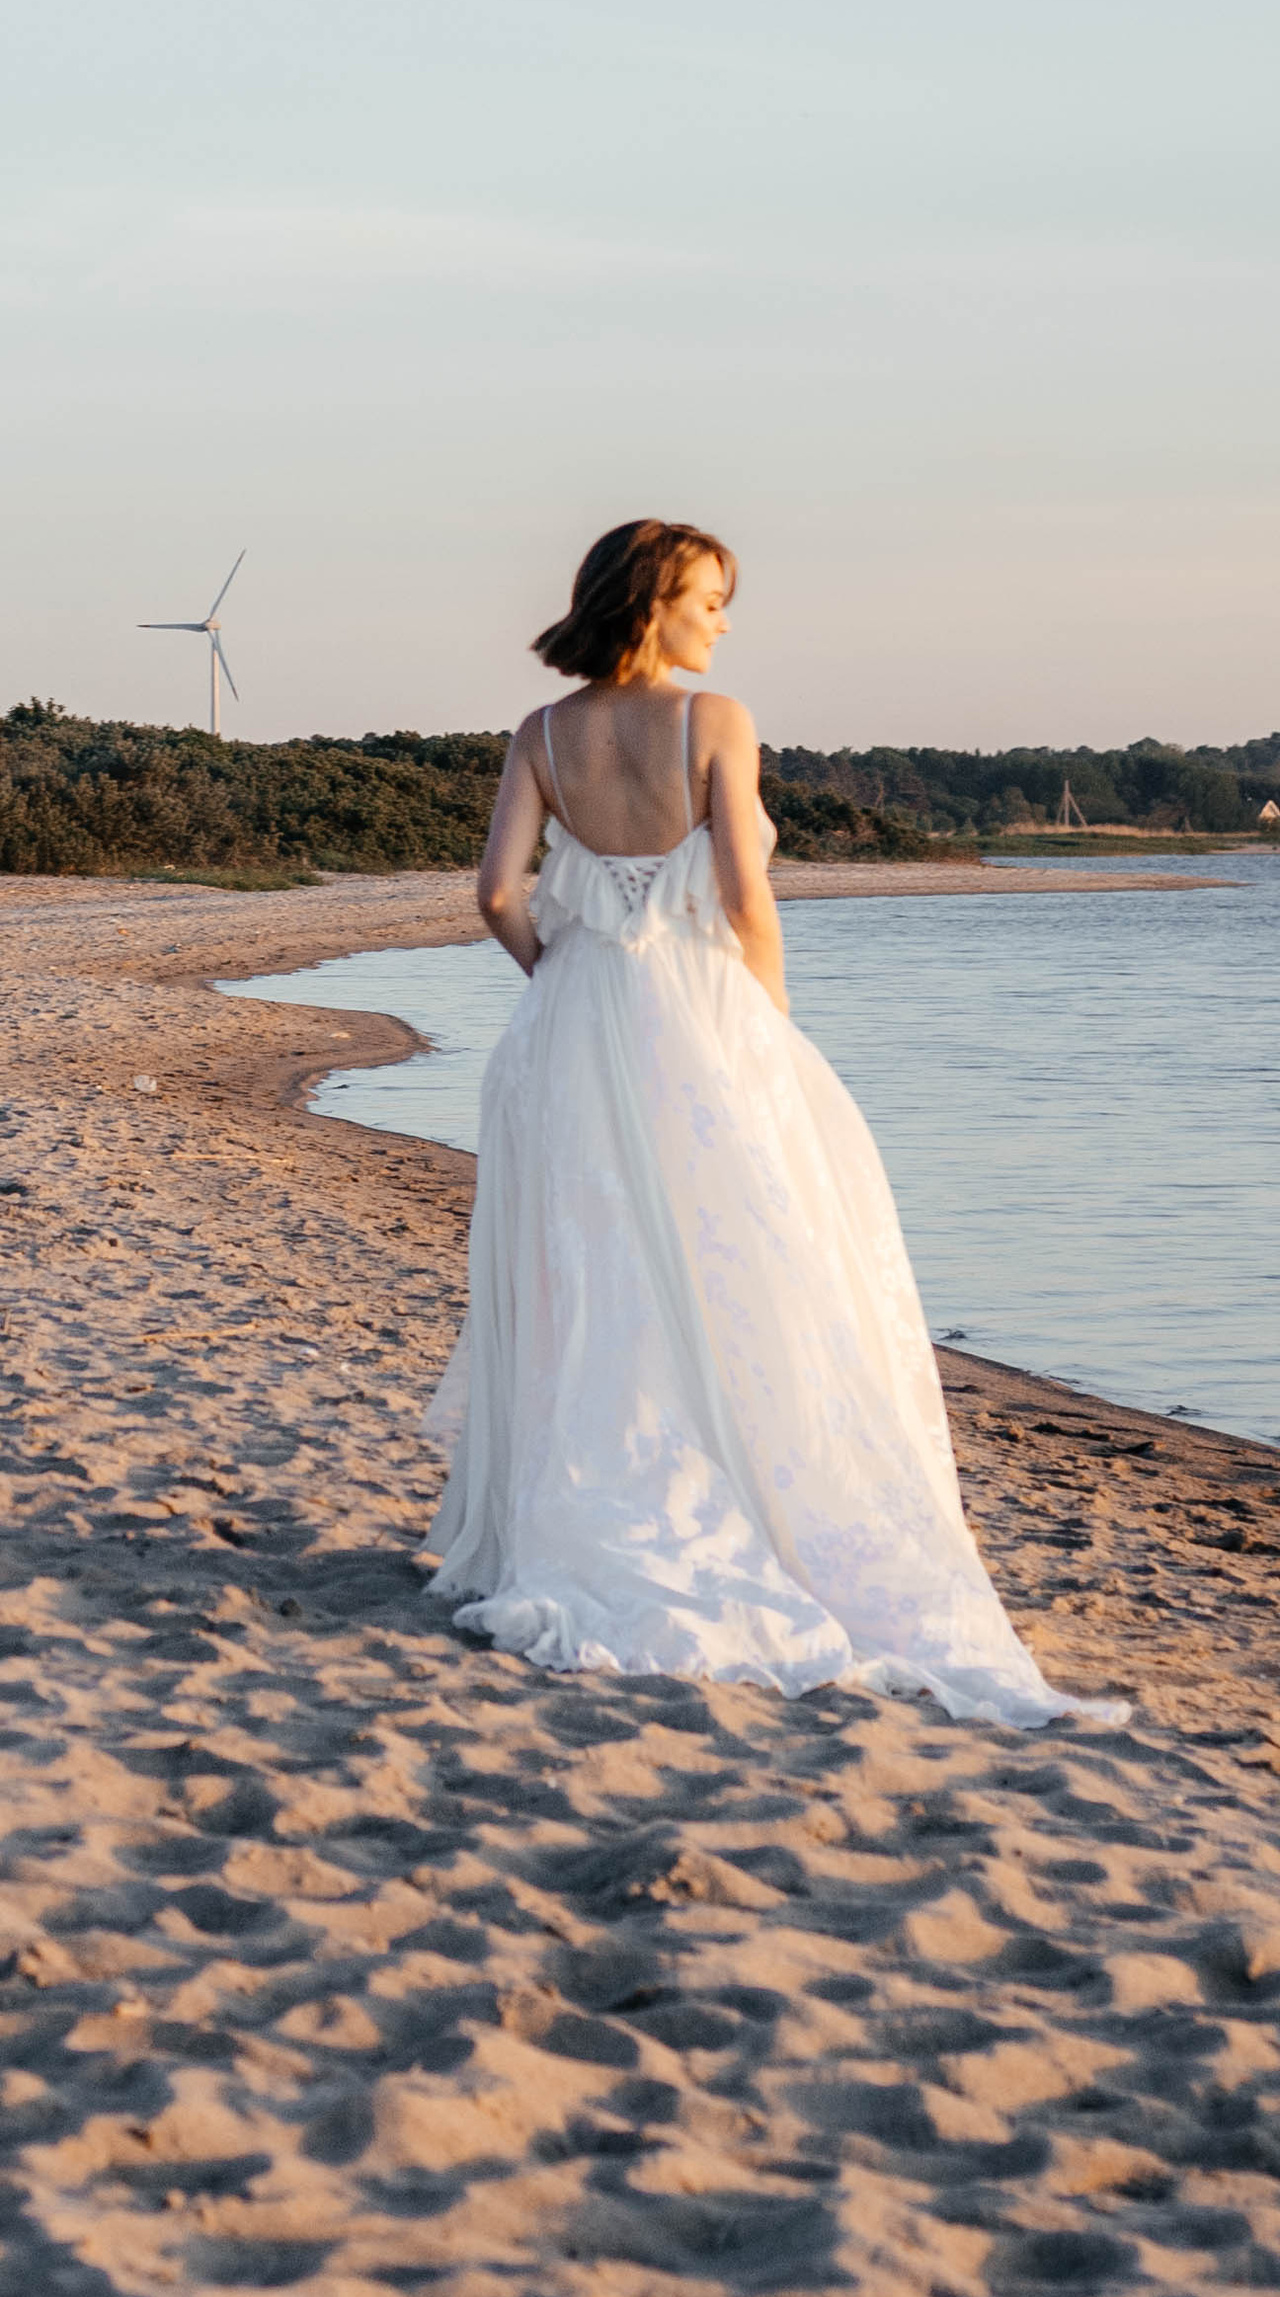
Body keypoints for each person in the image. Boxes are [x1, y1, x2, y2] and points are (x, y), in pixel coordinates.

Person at [425, 518, 1119, 1727]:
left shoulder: (539, 735)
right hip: (699, 1016)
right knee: (748, 1262)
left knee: (591, 1275)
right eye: (708, 596)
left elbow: (494, 894)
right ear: (653, 601)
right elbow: (746, 898)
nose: (722, 620)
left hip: (572, 1026)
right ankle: (757, 1497)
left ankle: (586, 1509)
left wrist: (560, 979)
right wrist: (770, 1032)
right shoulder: (715, 723)